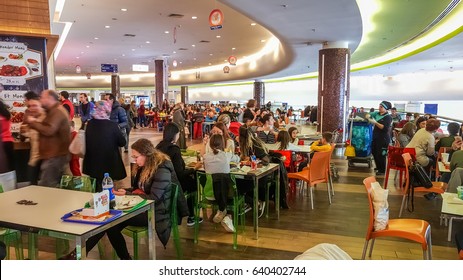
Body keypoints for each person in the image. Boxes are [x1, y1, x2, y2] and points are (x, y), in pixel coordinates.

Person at [63, 138, 189, 260]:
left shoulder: (162, 167)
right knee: (110, 223)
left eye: (136, 156)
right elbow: (138, 188)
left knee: (110, 222)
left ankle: (77, 255)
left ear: (146, 154)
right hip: (142, 207)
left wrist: (129, 195)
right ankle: (82, 255)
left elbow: (154, 197)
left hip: (156, 212)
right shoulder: (145, 165)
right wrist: (126, 191)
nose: (134, 160)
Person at [155, 123, 202, 226]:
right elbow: (180, 173)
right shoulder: (174, 149)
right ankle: (191, 215)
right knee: (193, 183)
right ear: (175, 135)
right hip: (174, 183)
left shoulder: (158, 147)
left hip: (161, 183)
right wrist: (194, 168)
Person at [25, 90, 71, 187]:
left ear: (50, 99)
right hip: (52, 156)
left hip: (55, 157)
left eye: (42, 97)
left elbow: (49, 130)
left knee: (48, 187)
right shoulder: (51, 111)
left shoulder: (57, 111)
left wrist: (33, 122)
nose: (40, 100)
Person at [83, 101, 126, 191]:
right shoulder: (112, 125)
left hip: (92, 163)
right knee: (108, 188)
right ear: (107, 110)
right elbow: (122, 142)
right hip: (109, 163)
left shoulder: (89, 124)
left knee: (96, 187)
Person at [203, 134, 241, 233]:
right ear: (223, 144)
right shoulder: (226, 155)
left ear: (210, 145)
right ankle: (227, 216)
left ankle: (222, 211)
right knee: (235, 189)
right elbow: (238, 159)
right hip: (226, 194)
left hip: (210, 193)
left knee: (221, 185)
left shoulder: (205, 157)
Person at [20, 92, 45, 184]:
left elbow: (47, 131)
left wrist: (32, 123)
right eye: (29, 106)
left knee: (47, 185)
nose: (31, 108)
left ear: (40, 105)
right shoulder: (30, 117)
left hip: (47, 158)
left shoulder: (47, 117)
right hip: (34, 157)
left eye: (34, 105)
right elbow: (26, 132)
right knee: (33, 184)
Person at [367, 101, 393, 176]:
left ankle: (382, 170)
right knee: (374, 152)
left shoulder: (388, 117)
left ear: (385, 109)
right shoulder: (377, 114)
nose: (379, 108)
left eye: (381, 107)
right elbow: (369, 114)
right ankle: (378, 167)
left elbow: (384, 128)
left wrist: (375, 122)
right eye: (379, 106)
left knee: (381, 154)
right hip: (375, 136)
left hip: (383, 138)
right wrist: (368, 116)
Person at [0, 100, 14, 173]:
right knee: (10, 165)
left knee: (3, 166)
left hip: (1, 143)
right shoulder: (6, 115)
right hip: (9, 141)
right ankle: (12, 183)